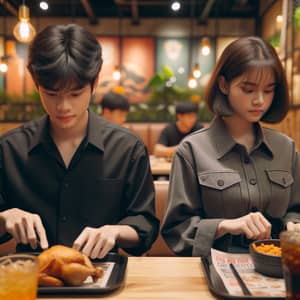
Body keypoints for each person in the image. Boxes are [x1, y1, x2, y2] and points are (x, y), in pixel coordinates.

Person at [0, 24, 159, 259]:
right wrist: (4, 218)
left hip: (102, 274)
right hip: (33, 279)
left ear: (94, 84)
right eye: (51, 94)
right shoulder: (9, 149)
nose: (63, 106)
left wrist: (115, 232)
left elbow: (145, 223)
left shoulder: (127, 148)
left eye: (75, 94)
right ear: (36, 85)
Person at [161, 36, 300, 257]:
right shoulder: (192, 150)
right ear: (224, 84)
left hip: (279, 272)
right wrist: (224, 225)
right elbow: (177, 230)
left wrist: (293, 224)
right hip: (213, 274)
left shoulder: (286, 148)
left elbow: (295, 210)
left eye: (269, 90)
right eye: (248, 89)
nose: (260, 100)